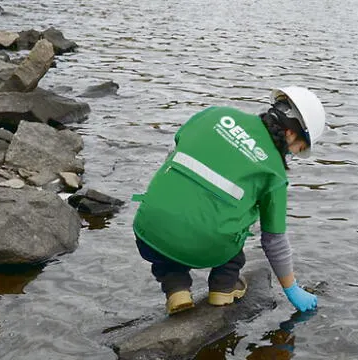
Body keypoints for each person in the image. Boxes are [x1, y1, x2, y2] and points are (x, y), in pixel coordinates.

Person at [131, 86, 325, 315]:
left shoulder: (214, 114)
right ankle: (223, 287)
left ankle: (176, 288)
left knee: (180, 212)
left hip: (149, 231)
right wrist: (291, 289)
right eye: (297, 150)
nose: (291, 155)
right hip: (209, 248)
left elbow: (173, 154)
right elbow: (274, 241)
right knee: (238, 220)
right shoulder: (275, 173)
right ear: (291, 134)